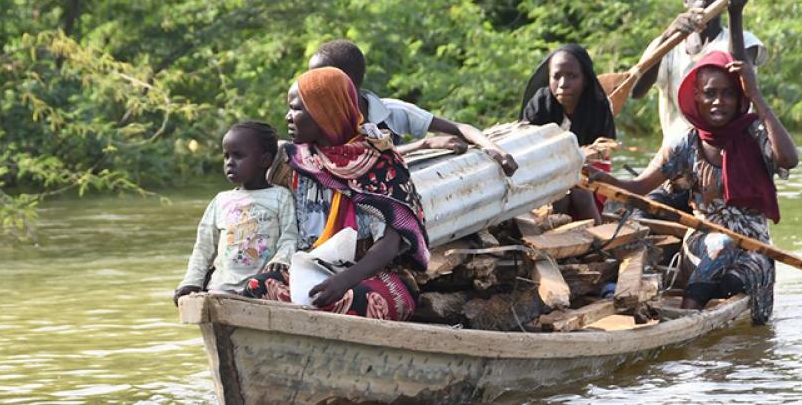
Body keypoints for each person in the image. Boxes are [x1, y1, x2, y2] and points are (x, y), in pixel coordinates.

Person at [586, 50, 798, 325]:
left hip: (753, 247)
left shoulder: (755, 132)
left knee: (736, 280)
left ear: (739, 99)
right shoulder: (686, 143)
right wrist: (606, 181)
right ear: (697, 97)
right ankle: (689, 310)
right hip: (705, 241)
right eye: (710, 93)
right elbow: (640, 186)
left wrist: (757, 96)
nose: (718, 102)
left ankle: (708, 305)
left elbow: (789, 159)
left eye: (728, 94)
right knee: (720, 244)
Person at [242, 67, 429, 321]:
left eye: (297, 109)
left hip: (371, 275)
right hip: (308, 269)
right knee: (257, 288)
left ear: (325, 112)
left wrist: (343, 281)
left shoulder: (380, 163)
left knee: (352, 303)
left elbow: (390, 243)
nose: (288, 117)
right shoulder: (293, 161)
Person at [630, 0, 766, 215]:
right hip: (676, 161)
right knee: (636, 213)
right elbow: (636, 90)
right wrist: (669, 33)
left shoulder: (740, 40)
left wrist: (735, 13)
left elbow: (744, 81)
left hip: (720, 163)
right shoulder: (668, 45)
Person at [309, 39, 518, 176]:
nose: (312, 86)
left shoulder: (391, 111)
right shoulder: (317, 123)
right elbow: (354, 161)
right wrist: (422, 145)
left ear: (347, 81)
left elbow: (460, 129)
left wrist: (496, 150)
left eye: (319, 80)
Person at [173, 121, 298, 306]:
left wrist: (281, 260)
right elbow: (203, 248)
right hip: (220, 288)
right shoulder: (220, 201)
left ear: (264, 160)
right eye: (226, 156)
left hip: (260, 288)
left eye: (238, 156)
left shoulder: (281, 197)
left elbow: (290, 236)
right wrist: (191, 282)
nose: (230, 162)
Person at [521, 44, 616, 223]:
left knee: (581, 195)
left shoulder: (597, 106)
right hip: (547, 170)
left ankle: (598, 237)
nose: (563, 84)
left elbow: (602, 153)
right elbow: (528, 150)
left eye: (572, 76)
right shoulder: (539, 104)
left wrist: (575, 167)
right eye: (557, 76)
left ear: (585, 79)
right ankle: (558, 233)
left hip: (591, 169)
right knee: (560, 195)